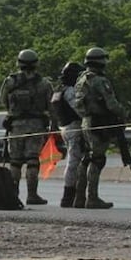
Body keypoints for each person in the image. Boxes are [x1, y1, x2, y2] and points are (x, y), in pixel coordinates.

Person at [0, 49, 54, 205]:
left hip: (16, 126)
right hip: (36, 126)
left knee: (15, 162)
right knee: (33, 161)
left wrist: (13, 112)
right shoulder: (44, 83)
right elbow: (51, 105)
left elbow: (2, 99)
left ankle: (13, 195)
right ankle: (32, 195)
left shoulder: (11, 81)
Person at [72, 47, 125, 209]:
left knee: (86, 159)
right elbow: (111, 104)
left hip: (85, 121)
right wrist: (123, 113)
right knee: (97, 159)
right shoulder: (100, 81)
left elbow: (77, 103)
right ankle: (92, 197)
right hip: (98, 123)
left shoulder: (81, 79)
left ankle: (79, 197)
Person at [50, 61, 86, 208]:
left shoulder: (59, 90)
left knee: (74, 161)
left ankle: (71, 195)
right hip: (74, 128)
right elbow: (78, 109)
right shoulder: (70, 91)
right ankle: (68, 196)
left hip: (65, 127)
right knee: (74, 162)